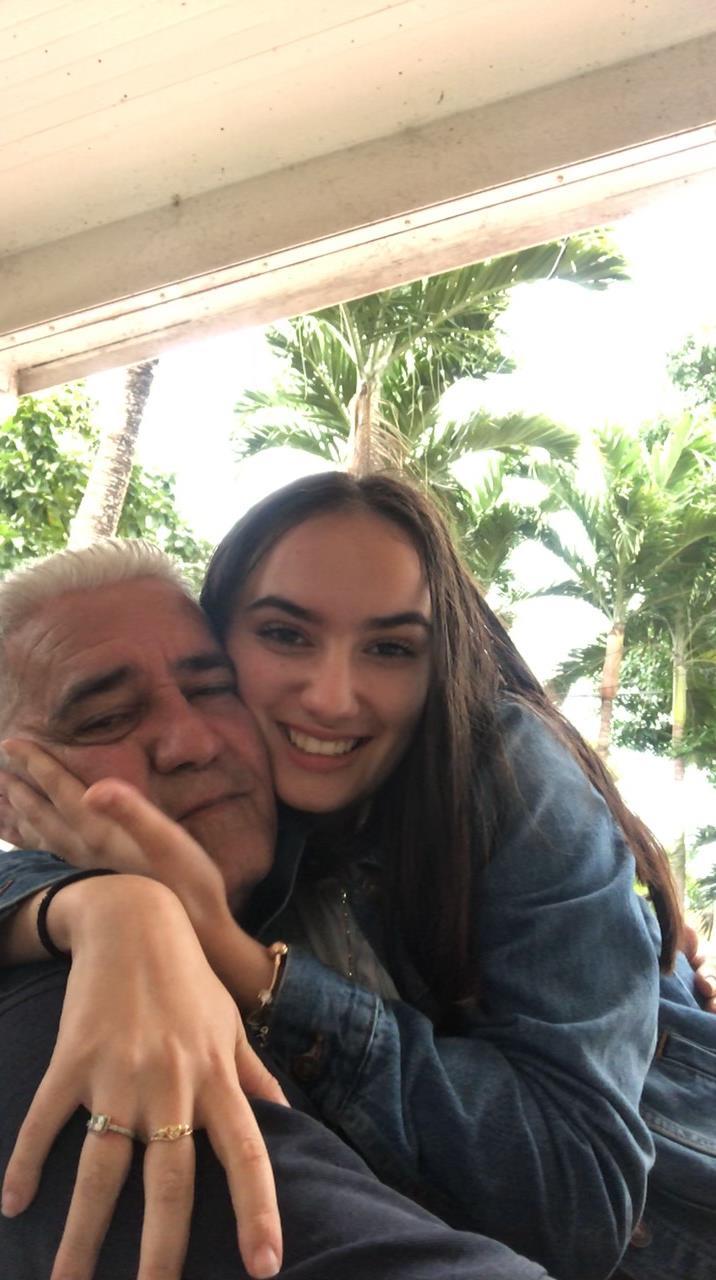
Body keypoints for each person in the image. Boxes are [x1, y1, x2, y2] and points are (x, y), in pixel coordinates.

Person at [0, 473, 712, 1279]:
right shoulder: (187, 825)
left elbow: (578, 1206)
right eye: (285, 636)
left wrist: (237, 960)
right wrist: (100, 909)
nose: (333, 700)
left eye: (390, 648)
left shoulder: (495, 773)